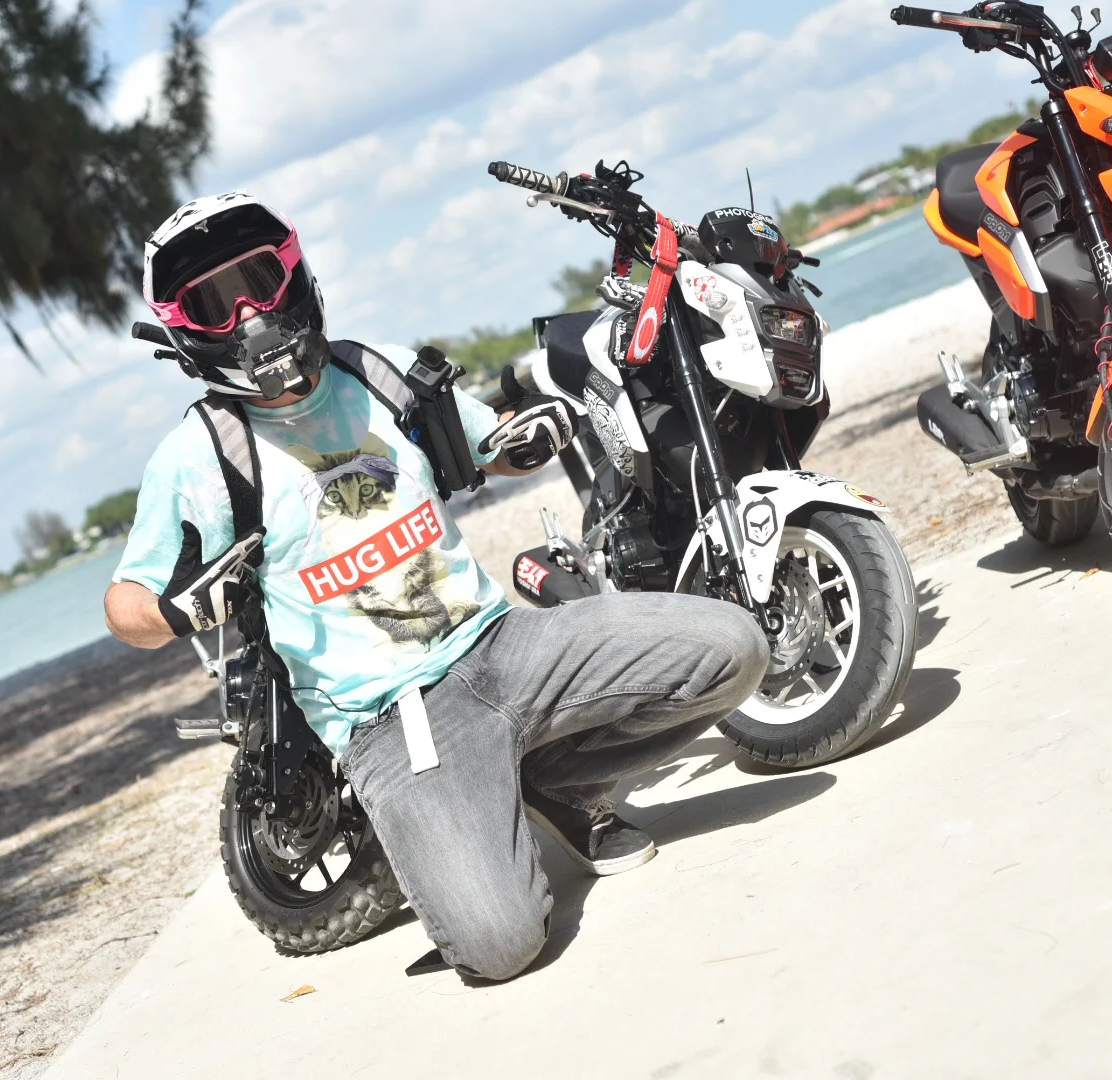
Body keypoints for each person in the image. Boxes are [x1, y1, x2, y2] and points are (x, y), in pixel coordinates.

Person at [104, 193, 769, 981]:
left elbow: (488, 445)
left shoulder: (374, 371)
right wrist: (176, 613)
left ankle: (558, 785)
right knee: (500, 945)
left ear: (294, 276)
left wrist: (532, 437)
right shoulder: (199, 456)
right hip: (394, 717)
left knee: (734, 649)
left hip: (505, 644)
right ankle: (477, 815)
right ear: (184, 330)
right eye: (217, 303)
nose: (249, 314)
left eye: (256, 280)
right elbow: (125, 606)